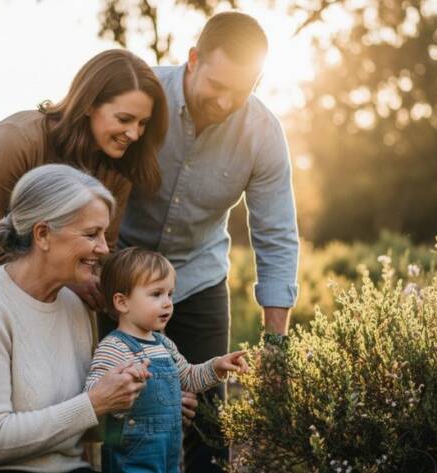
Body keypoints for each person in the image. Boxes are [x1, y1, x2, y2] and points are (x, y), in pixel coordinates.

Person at [0, 49, 169, 473]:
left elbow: (100, 251)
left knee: (49, 391)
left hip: (59, 276)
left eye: (143, 123)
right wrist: (45, 287)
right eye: (124, 119)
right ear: (89, 104)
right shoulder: (20, 138)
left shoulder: (118, 166)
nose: (134, 133)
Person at [112, 11, 300, 471]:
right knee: (114, 411)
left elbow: (275, 235)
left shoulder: (262, 133)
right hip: (114, 275)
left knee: (209, 427)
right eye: (218, 84)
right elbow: (68, 137)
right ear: (193, 59)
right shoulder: (142, 93)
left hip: (196, 279)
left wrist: (275, 347)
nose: (226, 101)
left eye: (243, 90)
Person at [0, 164, 152, 473]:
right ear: (42, 234)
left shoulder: (74, 307)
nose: (104, 248)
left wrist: (145, 408)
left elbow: (75, 428)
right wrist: (94, 403)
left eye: (104, 235)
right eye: (91, 234)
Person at [86, 247, 248, 473]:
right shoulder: (114, 347)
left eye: (169, 294)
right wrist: (123, 384)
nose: (167, 303)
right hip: (130, 460)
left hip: (167, 458)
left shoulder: (164, 345)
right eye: (156, 294)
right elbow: (94, 394)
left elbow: (189, 378)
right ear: (123, 302)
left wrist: (216, 367)